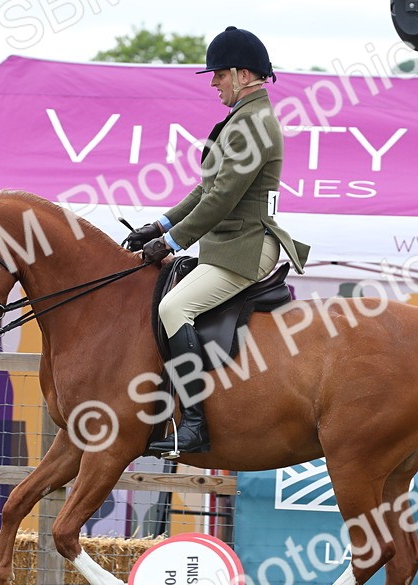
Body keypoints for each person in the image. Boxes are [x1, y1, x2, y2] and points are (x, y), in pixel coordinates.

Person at [122, 26, 310, 456]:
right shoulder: (240, 120)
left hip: (246, 247)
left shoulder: (254, 124)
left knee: (175, 306)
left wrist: (172, 243)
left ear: (244, 75)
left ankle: (193, 423)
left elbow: (222, 200)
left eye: (219, 74)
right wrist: (160, 224)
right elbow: (205, 190)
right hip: (227, 244)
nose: (213, 83)